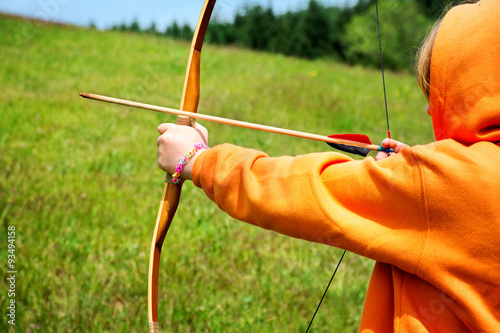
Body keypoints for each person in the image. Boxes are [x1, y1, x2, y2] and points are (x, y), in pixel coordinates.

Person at [156, 0, 500, 331]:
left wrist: (197, 160)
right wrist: (411, 182)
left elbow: (307, 192)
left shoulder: (446, 184)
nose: (428, 111)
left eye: (435, 92)